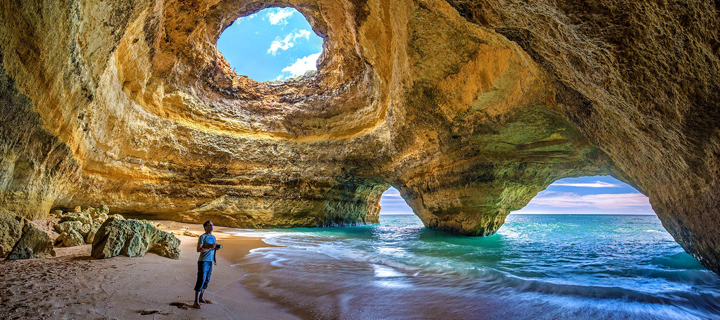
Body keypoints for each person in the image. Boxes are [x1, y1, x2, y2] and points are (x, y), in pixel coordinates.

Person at [193, 220, 217, 309]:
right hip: (203, 261)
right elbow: (198, 249)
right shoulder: (202, 237)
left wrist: (214, 258)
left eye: (212, 224)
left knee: (207, 280)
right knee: (201, 280)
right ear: (205, 227)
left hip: (210, 261)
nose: (211, 226)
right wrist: (209, 247)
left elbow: (213, 249)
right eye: (209, 225)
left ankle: (201, 297)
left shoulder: (214, 237)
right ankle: (195, 301)